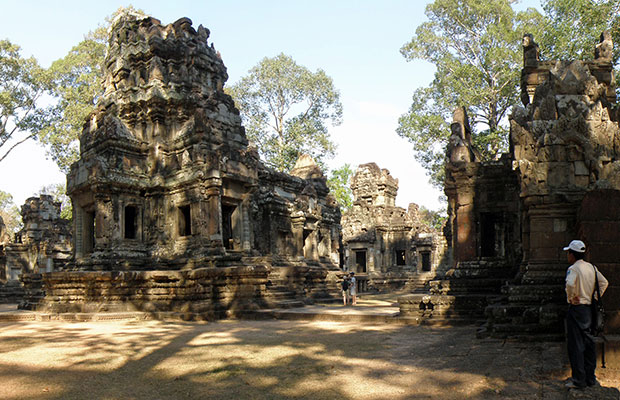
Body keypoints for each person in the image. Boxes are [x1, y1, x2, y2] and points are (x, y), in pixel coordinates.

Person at [563, 240, 608, 389]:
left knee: (576, 345)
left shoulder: (574, 269)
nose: (567, 255)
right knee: (589, 344)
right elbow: (604, 283)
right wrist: (594, 296)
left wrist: (571, 297)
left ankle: (578, 379)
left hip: (577, 309)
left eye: (568, 252)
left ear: (572, 254)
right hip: (590, 309)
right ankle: (590, 377)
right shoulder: (592, 268)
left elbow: (570, 284)